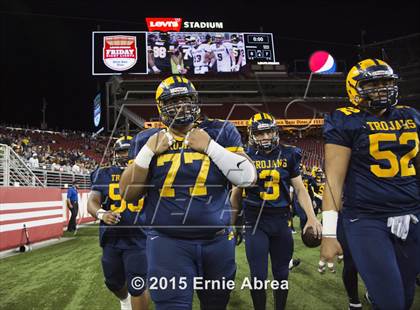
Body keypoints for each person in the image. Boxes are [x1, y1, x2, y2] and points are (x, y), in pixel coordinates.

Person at [119, 76, 257, 310]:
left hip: (217, 241)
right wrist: (148, 152)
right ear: (161, 107)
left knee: (216, 304)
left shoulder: (220, 131)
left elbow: (247, 177)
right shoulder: (147, 139)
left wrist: (210, 147)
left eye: (186, 99)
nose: (181, 106)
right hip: (167, 242)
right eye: (173, 101)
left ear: (196, 101)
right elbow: (128, 193)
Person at [320, 59, 420, 310]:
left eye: (387, 82)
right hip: (368, 219)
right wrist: (329, 233)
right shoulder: (345, 119)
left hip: (413, 214)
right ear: (355, 89)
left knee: (407, 296)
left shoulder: (411, 115)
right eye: (373, 83)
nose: (382, 88)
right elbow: (333, 179)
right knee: (391, 302)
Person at [230, 112, 322, 310]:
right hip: (255, 222)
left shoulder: (288, 153)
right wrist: (232, 223)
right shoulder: (244, 156)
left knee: (281, 274)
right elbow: (236, 194)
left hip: (281, 222)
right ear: (252, 135)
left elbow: (299, 188)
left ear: (275, 132)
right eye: (260, 134)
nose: (265, 137)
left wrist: (312, 218)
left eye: (269, 132)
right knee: (258, 276)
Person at [88, 136, 149, 310]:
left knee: (137, 285)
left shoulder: (147, 172)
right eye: (121, 151)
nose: (124, 156)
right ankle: (125, 301)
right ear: (114, 154)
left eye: (128, 151)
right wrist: (102, 214)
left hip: (139, 238)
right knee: (113, 283)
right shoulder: (103, 174)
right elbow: (92, 201)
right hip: (111, 239)